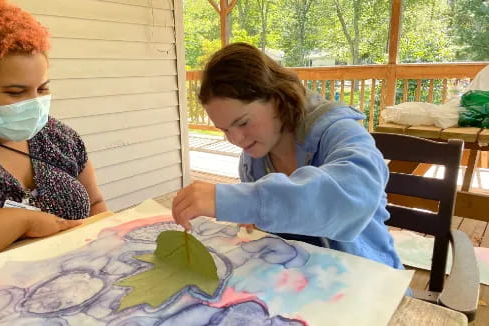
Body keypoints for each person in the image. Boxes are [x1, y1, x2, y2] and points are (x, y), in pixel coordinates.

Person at [172, 42, 403, 269]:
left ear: (277, 98)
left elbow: (352, 200)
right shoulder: (252, 159)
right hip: (300, 281)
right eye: (224, 130)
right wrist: (253, 215)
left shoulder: (340, 131)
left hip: (368, 281)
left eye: (242, 123)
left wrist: (237, 200)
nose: (236, 140)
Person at [0, 0, 107, 260]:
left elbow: (96, 204)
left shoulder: (59, 138)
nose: (34, 103)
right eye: (15, 92)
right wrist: (23, 221)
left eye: (42, 89)